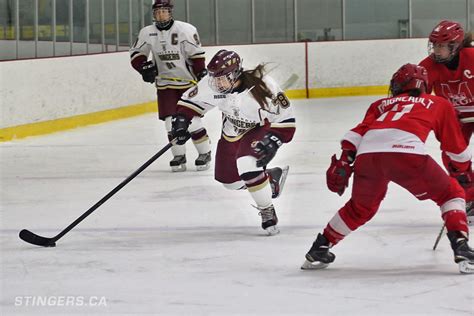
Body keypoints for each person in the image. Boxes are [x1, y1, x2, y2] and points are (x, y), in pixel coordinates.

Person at [301, 64, 474, 274]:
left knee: (360, 208)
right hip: (406, 154)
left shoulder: (380, 104)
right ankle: (461, 247)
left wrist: (345, 160)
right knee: (451, 193)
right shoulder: (438, 102)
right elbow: (454, 146)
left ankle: (320, 247)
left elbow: (357, 134)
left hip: (368, 156)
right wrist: (462, 170)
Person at [171, 49, 296, 235]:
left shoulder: (265, 87)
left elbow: (287, 120)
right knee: (229, 182)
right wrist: (181, 122)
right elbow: (191, 104)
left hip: (259, 129)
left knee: (247, 166)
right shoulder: (213, 84)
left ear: (236, 73)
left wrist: (274, 140)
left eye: (222, 77)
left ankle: (267, 210)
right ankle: (269, 178)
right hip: (232, 130)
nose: (216, 82)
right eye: (214, 77)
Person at [129, 0, 211, 172]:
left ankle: (205, 153)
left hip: (188, 84)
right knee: (169, 123)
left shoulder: (185, 30)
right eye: (158, 12)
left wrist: (201, 73)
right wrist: (142, 67)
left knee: (193, 122)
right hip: (165, 85)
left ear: (170, 12)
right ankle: (179, 155)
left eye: (164, 11)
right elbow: (136, 54)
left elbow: (196, 56)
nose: (161, 15)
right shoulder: (147, 33)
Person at [419, 20, 474, 223]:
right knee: (452, 156)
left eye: (441, 46)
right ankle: (470, 198)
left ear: (455, 46)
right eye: (435, 45)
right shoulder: (427, 66)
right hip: (455, 118)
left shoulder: (472, 57)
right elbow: (419, 98)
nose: (436, 50)